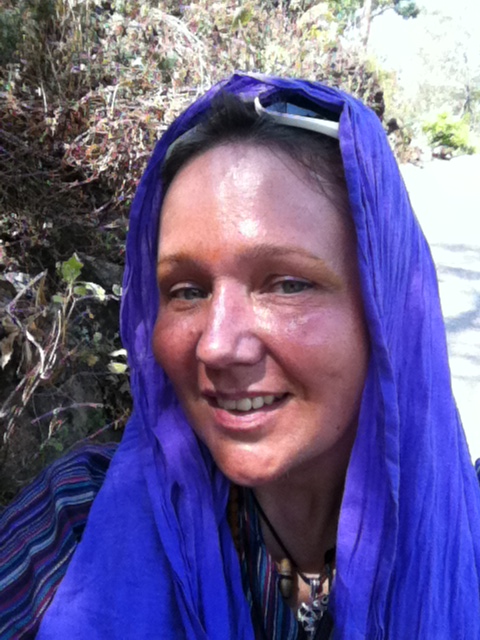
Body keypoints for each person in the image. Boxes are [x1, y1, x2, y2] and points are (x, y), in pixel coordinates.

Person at [1, 73, 480, 640]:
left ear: (386, 308)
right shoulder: (76, 522)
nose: (217, 345)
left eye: (287, 284)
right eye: (186, 291)